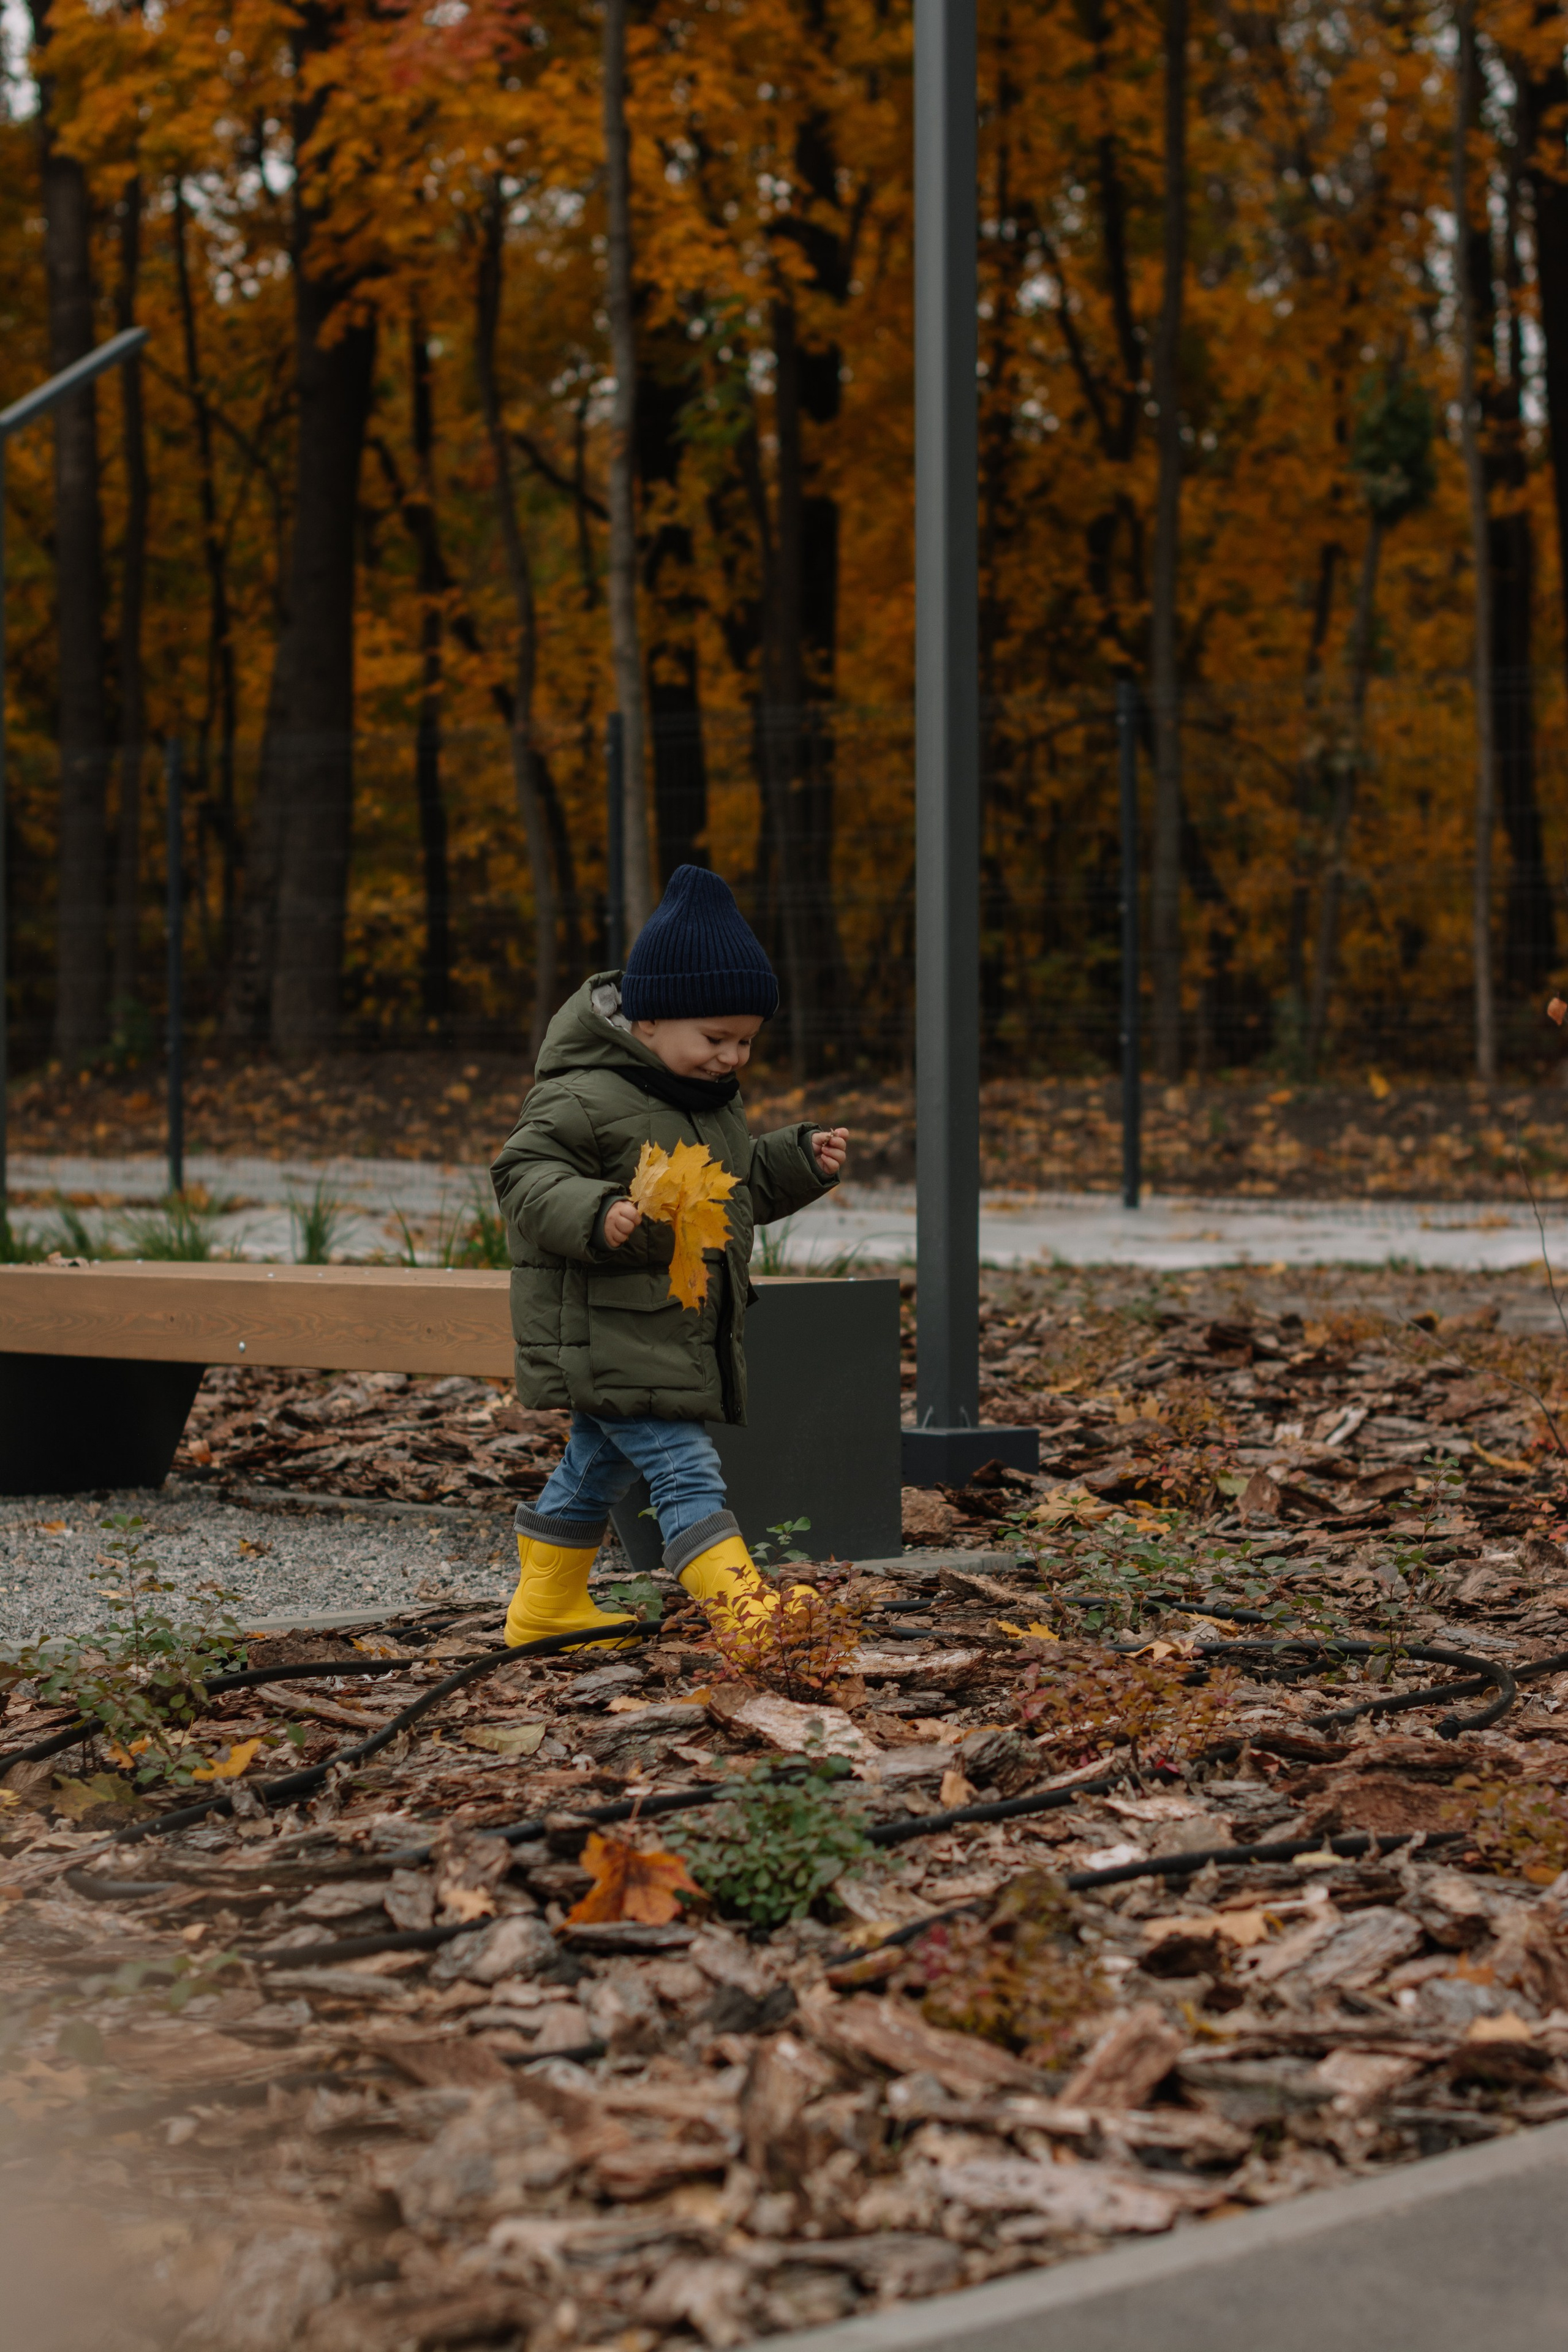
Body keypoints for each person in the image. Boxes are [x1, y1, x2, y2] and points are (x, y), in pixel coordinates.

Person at [491, 864, 850, 1646]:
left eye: (746, 1042)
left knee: (597, 1464)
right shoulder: (582, 1095)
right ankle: (745, 1616)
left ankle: (545, 1607)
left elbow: (732, 1189)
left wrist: (793, 1161)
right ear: (647, 1022)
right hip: (610, 1324)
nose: (731, 1058)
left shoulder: (708, 1104)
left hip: (666, 1327)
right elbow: (522, 1173)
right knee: (684, 1468)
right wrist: (595, 1211)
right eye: (714, 1039)